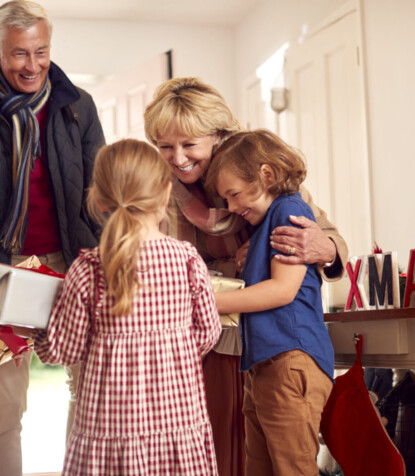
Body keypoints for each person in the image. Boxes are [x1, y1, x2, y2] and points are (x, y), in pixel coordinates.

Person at [143, 77, 347, 476]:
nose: (176, 158)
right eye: (165, 146)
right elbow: (160, 263)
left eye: (189, 144)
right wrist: (228, 271)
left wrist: (324, 248)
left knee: (276, 453)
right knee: (219, 449)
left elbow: (328, 239)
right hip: (205, 341)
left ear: (218, 137)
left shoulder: (258, 175)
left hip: (268, 341)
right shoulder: (159, 191)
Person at [0, 2, 105, 474]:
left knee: (92, 393)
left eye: (41, 51)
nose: (32, 65)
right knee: (4, 408)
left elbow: (103, 190)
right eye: (18, 54)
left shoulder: (78, 106)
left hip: (72, 261)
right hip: (0, 265)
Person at [31, 139, 221, 475]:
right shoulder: (187, 260)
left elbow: (65, 350)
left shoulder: (88, 268)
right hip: (178, 419)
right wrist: (170, 353)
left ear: (100, 200)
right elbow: (208, 333)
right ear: (164, 195)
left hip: (109, 426)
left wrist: (35, 330)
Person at [205, 129, 334, 475]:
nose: (231, 208)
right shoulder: (263, 225)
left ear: (266, 174)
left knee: (293, 468)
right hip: (263, 364)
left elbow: (282, 290)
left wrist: (206, 301)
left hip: (290, 360)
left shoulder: (289, 210)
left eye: (232, 195)